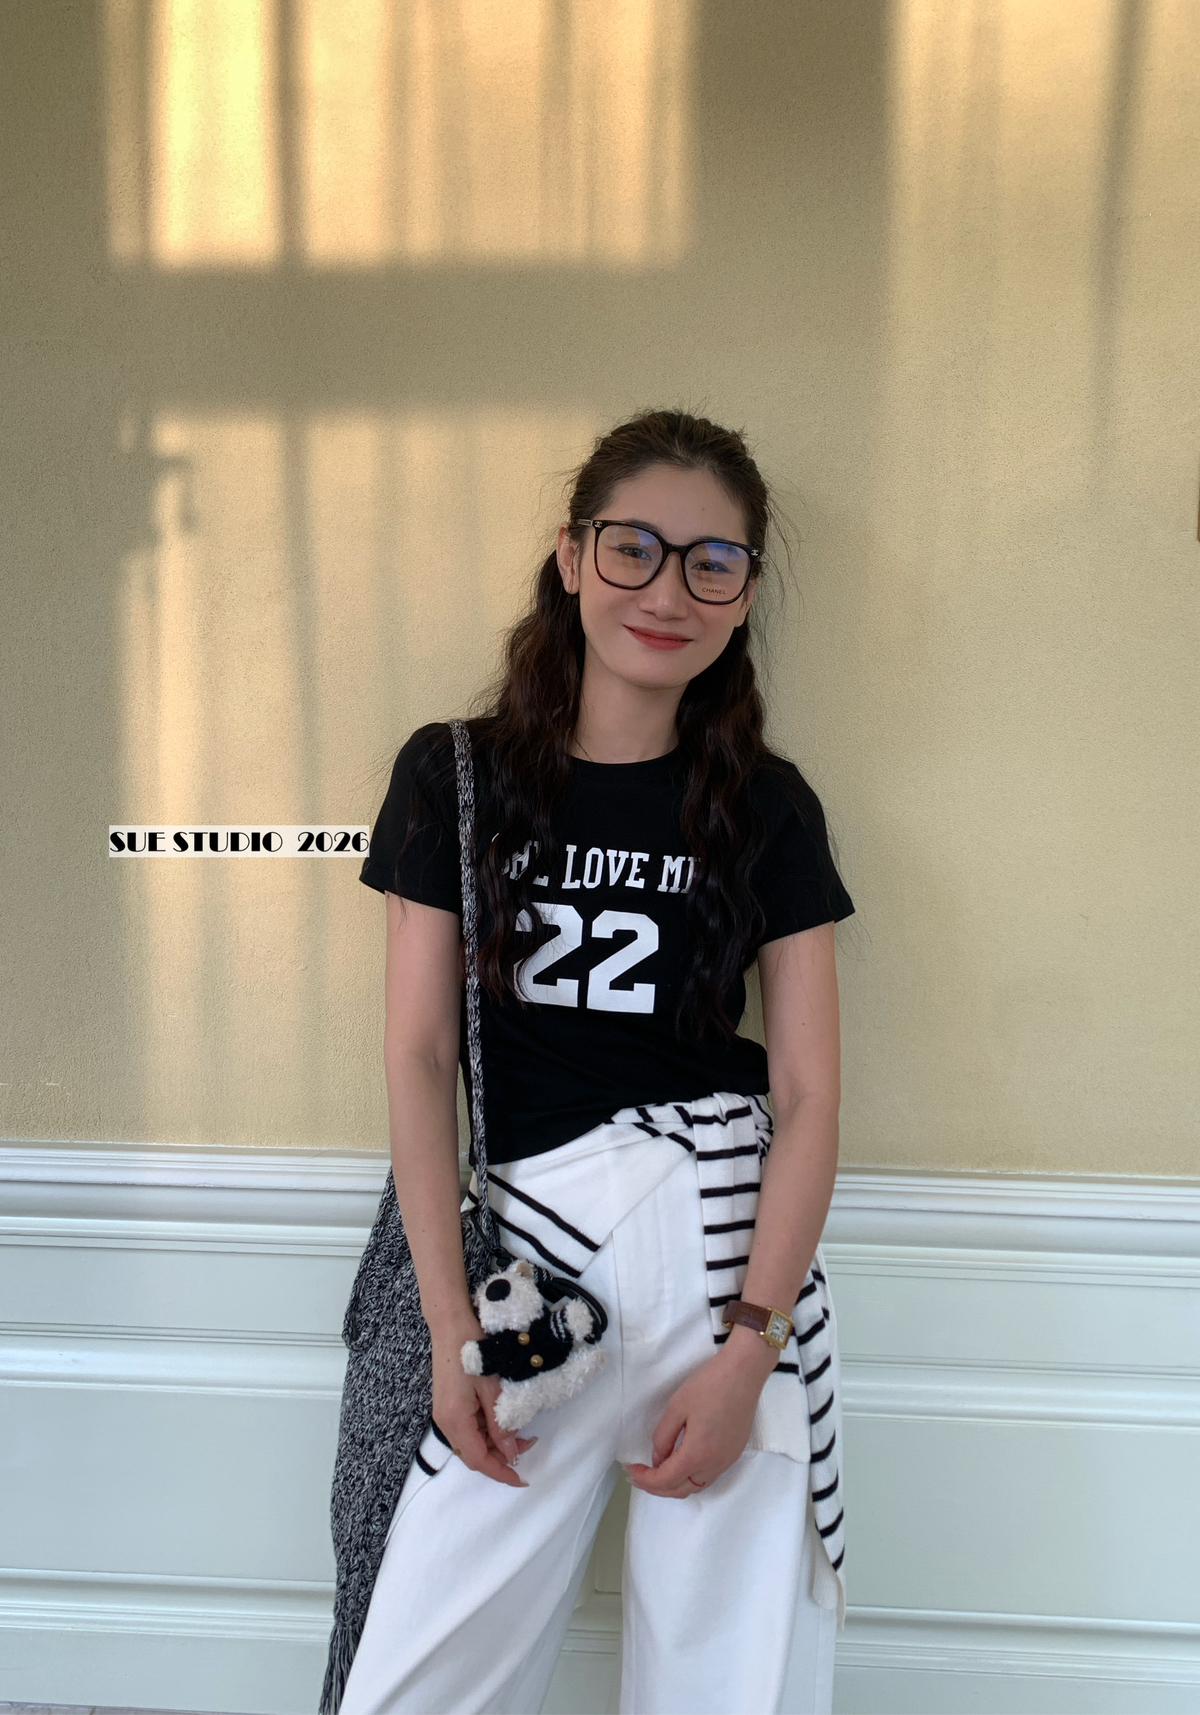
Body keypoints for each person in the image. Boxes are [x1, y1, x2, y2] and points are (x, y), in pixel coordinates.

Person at [340, 408, 855, 1715]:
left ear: (744, 595)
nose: (668, 592)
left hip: (728, 1255)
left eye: (712, 563)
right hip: (535, 1269)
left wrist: (750, 1349)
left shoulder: (770, 804)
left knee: (728, 1684)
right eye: (634, 548)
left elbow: (809, 1096)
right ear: (571, 557)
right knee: (421, 1676)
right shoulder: (452, 775)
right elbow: (418, 1057)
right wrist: (453, 1334)